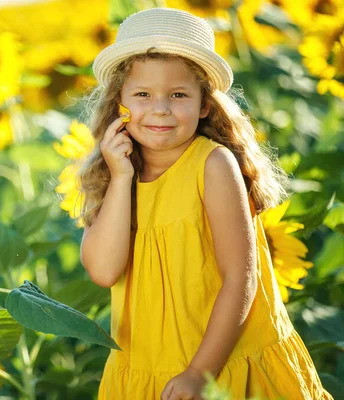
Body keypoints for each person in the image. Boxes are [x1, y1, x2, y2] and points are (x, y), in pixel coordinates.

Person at [78, 7, 334, 400]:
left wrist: (200, 372)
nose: (160, 108)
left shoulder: (212, 164)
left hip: (221, 365)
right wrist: (122, 177)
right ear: (119, 105)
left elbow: (240, 279)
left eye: (178, 95)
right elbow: (102, 270)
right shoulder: (117, 175)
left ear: (204, 106)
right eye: (143, 94)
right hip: (146, 368)